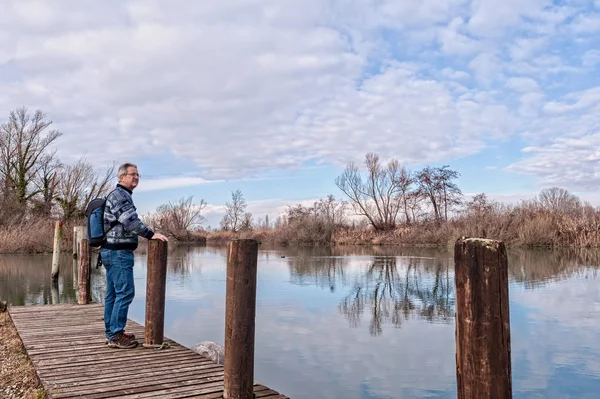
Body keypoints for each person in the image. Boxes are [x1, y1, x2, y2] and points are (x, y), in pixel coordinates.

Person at [100, 162, 168, 349]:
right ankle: (115, 334)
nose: (136, 177)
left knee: (113, 295)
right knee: (125, 292)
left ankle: (112, 332)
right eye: (132, 174)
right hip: (118, 253)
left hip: (112, 251)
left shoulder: (121, 195)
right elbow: (130, 221)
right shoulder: (120, 196)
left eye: (138, 175)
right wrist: (151, 235)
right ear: (121, 177)